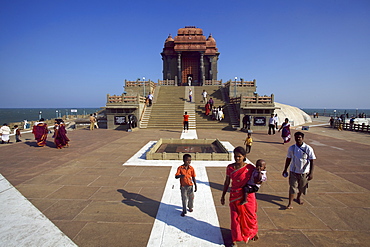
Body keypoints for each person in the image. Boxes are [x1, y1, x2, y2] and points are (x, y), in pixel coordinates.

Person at [221, 146, 259, 245]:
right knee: (235, 218)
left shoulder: (250, 168)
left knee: (250, 216)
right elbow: (226, 182)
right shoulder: (230, 167)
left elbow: (258, 180)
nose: (237, 158)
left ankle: (253, 232)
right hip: (235, 196)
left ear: (244, 156)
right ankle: (235, 238)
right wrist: (223, 195)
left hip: (248, 196)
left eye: (239, 156)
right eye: (235, 156)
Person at [282, 132, 316, 209]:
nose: (298, 139)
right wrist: (285, 169)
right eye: (296, 137)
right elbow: (288, 159)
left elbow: (312, 161)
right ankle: (290, 203)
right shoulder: (292, 148)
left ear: (302, 138)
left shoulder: (308, 148)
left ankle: (298, 197)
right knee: (292, 187)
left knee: (302, 187)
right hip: (293, 171)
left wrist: (311, 173)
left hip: (304, 172)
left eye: (299, 137)